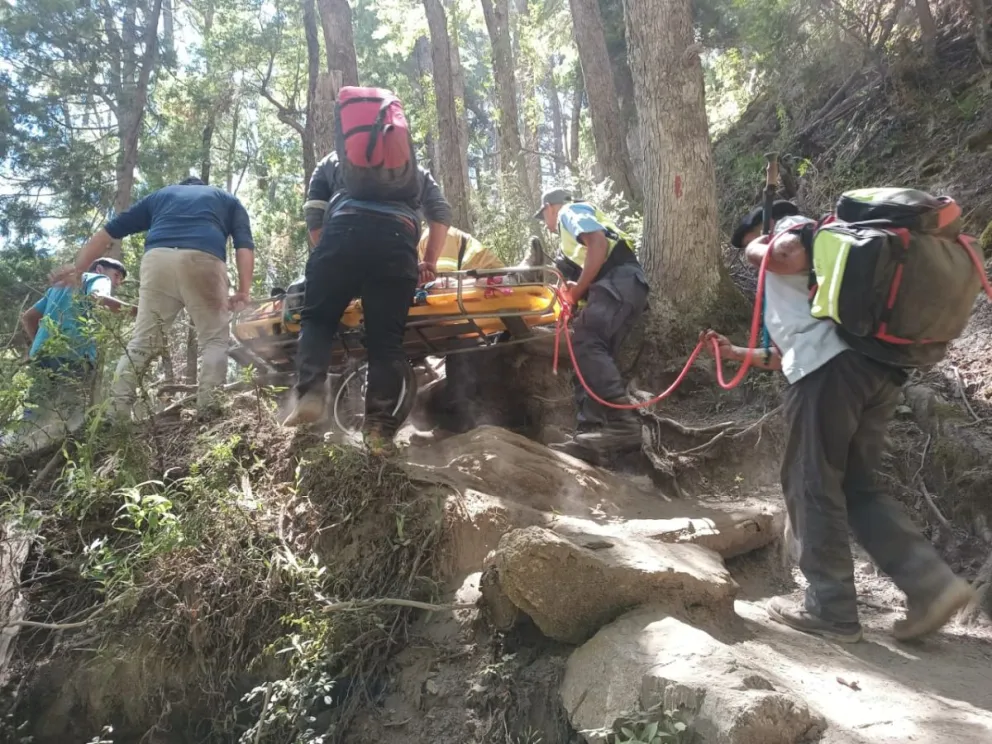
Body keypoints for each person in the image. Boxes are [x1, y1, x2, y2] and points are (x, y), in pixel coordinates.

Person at [702, 201, 972, 643]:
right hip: (871, 372)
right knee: (857, 488)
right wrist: (735, 355)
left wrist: (756, 252)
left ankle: (832, 608)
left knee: (812, 482)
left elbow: (784, 254)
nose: (747, 254)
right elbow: (786, 352)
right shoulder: (828, 268)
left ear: (762, 228)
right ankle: (932, 585)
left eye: (747, 242)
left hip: (828, 375)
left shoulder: (794, 228)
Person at [52, 177, 255, 418]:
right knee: (214, 340)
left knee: (142, 342)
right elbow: (244, 246)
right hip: (204, 258)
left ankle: (115, 415)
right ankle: (209, 410)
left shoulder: (161, 196)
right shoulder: (228, 199)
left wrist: (79, 270)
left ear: (182, 186)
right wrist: (243, 290)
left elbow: (106, 234)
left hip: (157, 260)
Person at [286, 151, 451, 440]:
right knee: (386, 340)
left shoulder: (331, 161)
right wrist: (430, 261)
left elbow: (314, 217)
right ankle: (378, 428)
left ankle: (310, 395)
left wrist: (332, 265)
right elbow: (441, 213)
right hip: (397, 242)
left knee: (318, 320)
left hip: (341, 232)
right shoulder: (409, 165)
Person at [534, 189, 649, 459]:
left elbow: (598, 244)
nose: (547, 224)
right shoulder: (570, 246)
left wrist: (578, 290)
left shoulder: (570, 212)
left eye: (544, 217)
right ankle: (590, 436)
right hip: (622, 288)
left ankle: (624, 425)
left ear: (550, 207)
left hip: (621, 282)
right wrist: (577, 297)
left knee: (586, 342)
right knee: (588, 356)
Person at [10, 258, 130, 446]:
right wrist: (138, 310)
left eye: (120, 280)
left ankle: (16, 450)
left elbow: (28, 317)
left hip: (42, 355)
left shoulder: (59, 287)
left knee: (34, 412)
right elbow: (97, 297)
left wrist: (40, 344)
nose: (117, 283)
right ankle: (69, 457)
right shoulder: (96, 278)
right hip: (74, 354)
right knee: (73, 414)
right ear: (100, 268)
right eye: (116, 276)